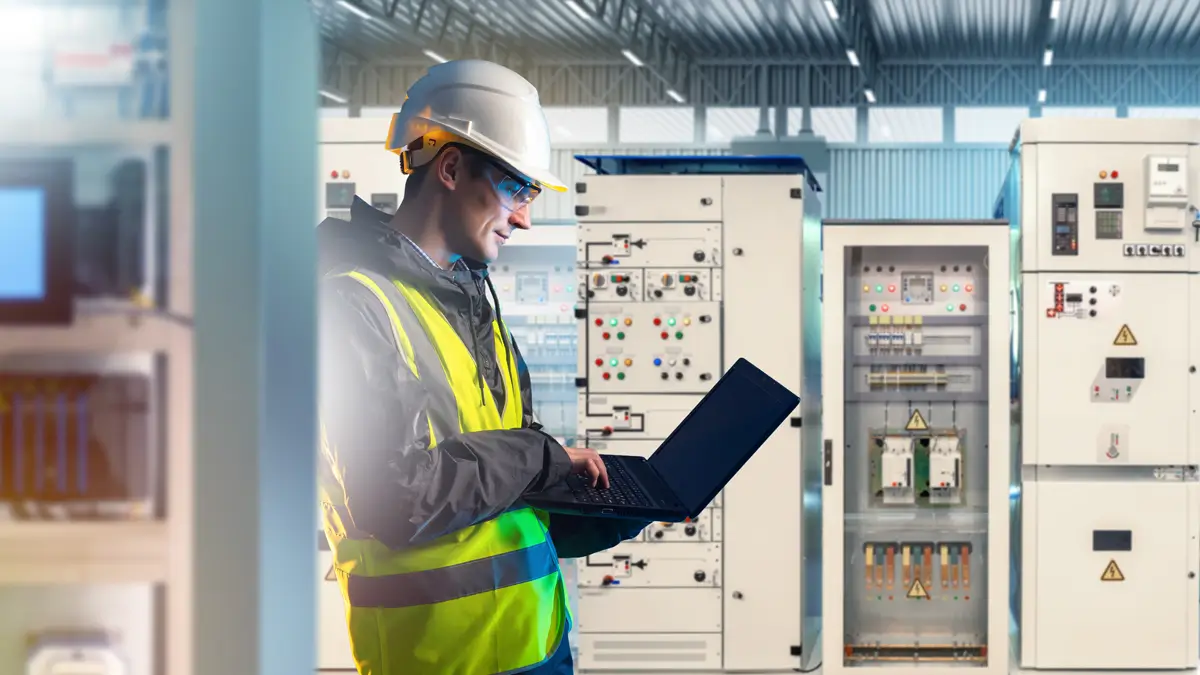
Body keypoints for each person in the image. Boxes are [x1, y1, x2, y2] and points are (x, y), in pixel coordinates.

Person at [317, 59, 648, 675]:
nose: (525, 216)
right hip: (438, 661)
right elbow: (396, 500)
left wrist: (606, 512)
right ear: (449, 168)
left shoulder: (474, 306)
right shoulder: (352, 305)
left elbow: (497, 498)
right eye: (517, 189)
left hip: (536, 647)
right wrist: (543, 455)